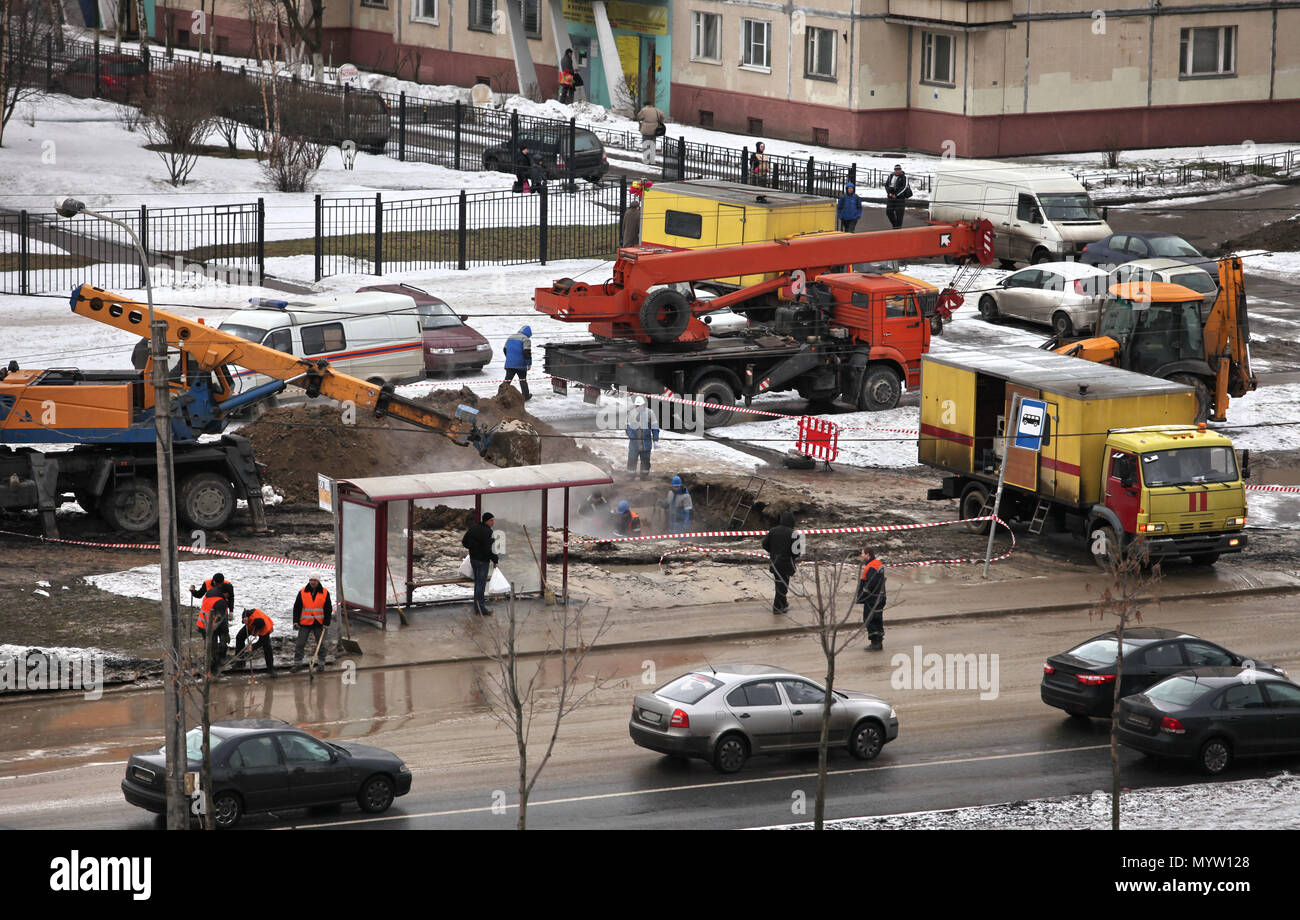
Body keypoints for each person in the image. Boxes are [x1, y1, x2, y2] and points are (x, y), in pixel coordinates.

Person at [291, 574, 332, 670]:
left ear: (318, 581)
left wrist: (326, 622)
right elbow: (297, 608)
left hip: (319, 623)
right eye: (311, 580)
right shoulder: (302, 592)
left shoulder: (325, 592)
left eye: (315, 580)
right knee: (300, 644)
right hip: (305, 623)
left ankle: (321, 663)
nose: (313, 582)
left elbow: (328, 609)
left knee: (321, 644)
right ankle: (297, 663)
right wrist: (296, 621)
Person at [762, 511, 800, 614]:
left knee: (780, 584)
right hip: (787, 564)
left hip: (775, 562)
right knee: (783, 586)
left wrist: (773, 552)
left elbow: (764, 544)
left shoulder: (773, 531)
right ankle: (777, 607)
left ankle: (783, 603)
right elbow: (797, 553)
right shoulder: (794, 534)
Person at [462, 512, 499, 615]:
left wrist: (474, 549)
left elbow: (464, 542)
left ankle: (477, 607)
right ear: (487, 520)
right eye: (492, 520)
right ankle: (481, 609)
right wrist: (495, 560)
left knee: (477, 583)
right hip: (483, 561)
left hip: (474, 559)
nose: (493, 522)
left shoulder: (474, 528)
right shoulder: (488, 532)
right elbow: (489, 550)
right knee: (480, 584)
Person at [194, 575, 232, 675]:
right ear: (225, 593)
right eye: (228, 595)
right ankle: (213, 672)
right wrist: (226, 633)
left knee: (209, 648)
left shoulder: (210, 593)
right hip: (210, 627)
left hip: (202, 624)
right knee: (213, 649)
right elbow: (221, 621)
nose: (228, 597)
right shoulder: (221, 602)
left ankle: (210, 669)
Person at [856, 549, 887, 650]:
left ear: (867, 555)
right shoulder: (878, 564)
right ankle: (879, 641)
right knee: (878, 618)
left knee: (869, 619)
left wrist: (862, 597)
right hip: (880, 597)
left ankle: (875, 643)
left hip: (872, 599)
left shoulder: (870, 567)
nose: (861, 555)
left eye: (863, 553)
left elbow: (869, 585)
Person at [233, 608, 275, 677]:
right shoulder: (250, 617)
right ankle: (240, 663)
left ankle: (271, 669)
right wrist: (244, 618)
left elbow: (262, 642)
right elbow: (246, 612)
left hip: (262, 629)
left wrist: (253, 646)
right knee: (239, 637)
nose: (255, 633)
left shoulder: (265, 629)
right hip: (251, 625)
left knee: (267, 647)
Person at [625, 394, 659, 479]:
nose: (639, 407)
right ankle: (631, 476)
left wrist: (655, 437)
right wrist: (632, 437)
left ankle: (644, 476)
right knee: (632, 459)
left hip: (646, 441)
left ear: (644, 405)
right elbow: (628, 427)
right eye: (637, 406)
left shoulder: (650, 413)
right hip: (634, 442)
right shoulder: (631, 413)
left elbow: (655, 426)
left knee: (645, 459)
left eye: (640, 406)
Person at [503, 325, 532, 400]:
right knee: (523, 380)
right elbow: (526, 352)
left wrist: (509, 358)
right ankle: (525, 396)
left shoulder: (511, 337)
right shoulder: (525, 339)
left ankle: (500, 396)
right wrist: (529, 363)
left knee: (507, 381)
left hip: (510, 363)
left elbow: (505, 349)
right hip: (520, 364)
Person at [636, 102, 665, 167]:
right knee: (652, 145)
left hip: (646, 130)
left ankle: (646, 160)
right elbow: (663, 116)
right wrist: (659, 122)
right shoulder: (656, 110)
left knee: (645, 145)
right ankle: (652, 160)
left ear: (645, 104)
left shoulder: (644, 110)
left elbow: (638, 117)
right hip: (654, 130)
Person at [884, 163, 912, 230]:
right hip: (891, 198)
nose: (897, 171)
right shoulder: (891, 176)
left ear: (901, 170)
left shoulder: (904, 177)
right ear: (894, 170)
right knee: (889, 212)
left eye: (899, 169)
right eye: (896, 169)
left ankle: (897, 228)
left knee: (899, 215)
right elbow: (886, 185)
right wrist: (889, 193)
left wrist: (896, 195)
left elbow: (904, 187)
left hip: (900, 199)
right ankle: (895, 226)